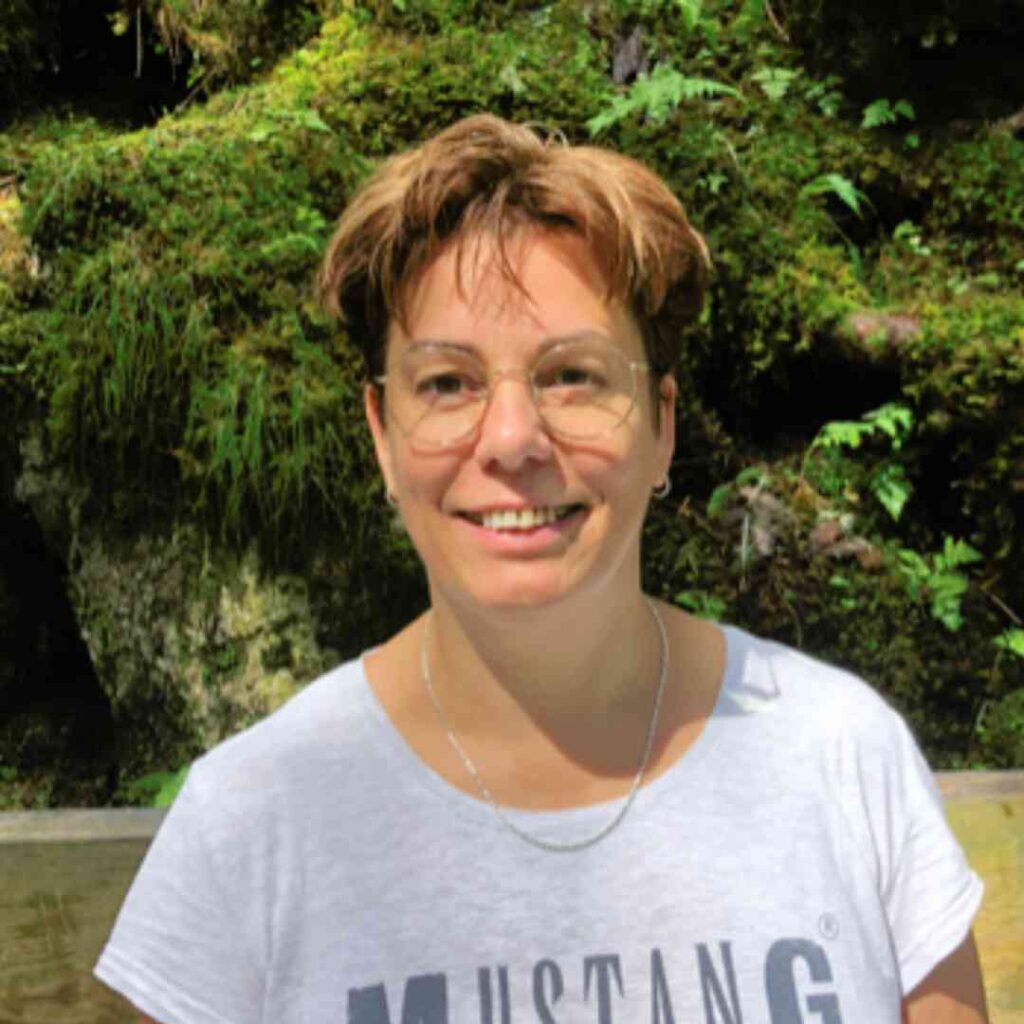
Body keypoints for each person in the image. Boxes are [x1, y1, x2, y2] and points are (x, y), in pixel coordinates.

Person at [95, 114, 988, 1024]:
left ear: (661, 423)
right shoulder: (252, 825)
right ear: (382, 434)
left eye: (573, 376)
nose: (513, 439)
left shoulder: (841, 757)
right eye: (447, 383)